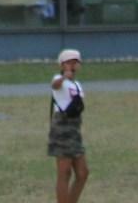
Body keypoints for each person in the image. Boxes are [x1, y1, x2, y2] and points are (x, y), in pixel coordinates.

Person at [49, 47, 89, 203]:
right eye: (68, 62)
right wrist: (63, 78)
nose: (72, 65)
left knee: (82, 173)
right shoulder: (59, 80)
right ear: (62, 65)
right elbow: (55, 85)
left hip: (74, 128)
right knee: (64, 172)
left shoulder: (77, 84)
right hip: (62, 128)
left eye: (75, 62)